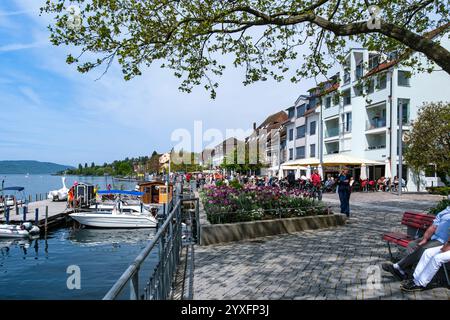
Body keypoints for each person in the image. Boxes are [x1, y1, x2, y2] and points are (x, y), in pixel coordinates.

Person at [382, 205, 450, 281]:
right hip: (434, 237)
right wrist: (425, 239)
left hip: (442, 241)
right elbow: (433, 227)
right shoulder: (445, 211)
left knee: (423, 249)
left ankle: (398, 267)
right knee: (412, 244)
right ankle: (405, 272)